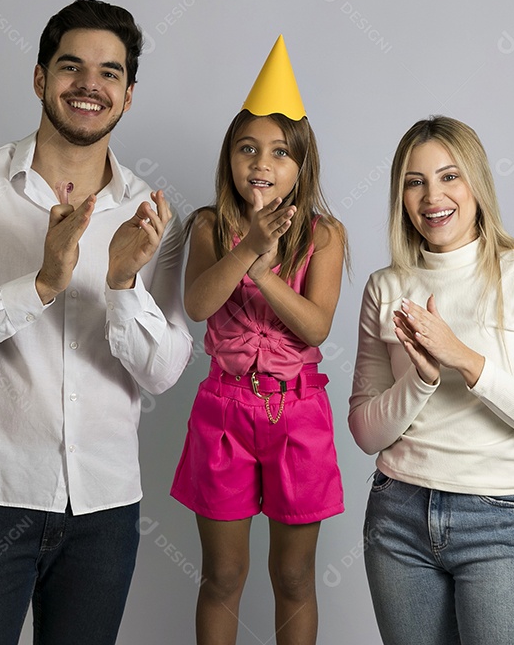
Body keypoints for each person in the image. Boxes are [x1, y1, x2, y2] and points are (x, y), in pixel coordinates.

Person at [0, 0, 192, 645]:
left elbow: (165, 370)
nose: (91, 84)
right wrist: (40, 284)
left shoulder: (151, 217)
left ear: (128, 95)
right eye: (72, 66)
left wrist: (119, 284)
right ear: (39, 78)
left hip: (105, 512)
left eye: (110, 73)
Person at [348, 116, 514, 645]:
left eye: (450, 177)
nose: (434, 196)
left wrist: (464, 359)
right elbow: (365, 433)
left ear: (477, 185)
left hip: (500, 524)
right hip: (399, 516)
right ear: (401, 197)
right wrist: (423, 380)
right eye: (415, 181)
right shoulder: (386, 287)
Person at [170, 35, 347, 645]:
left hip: (298, 414)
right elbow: (196, 306)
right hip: (223, 413)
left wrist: (266, 272)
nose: (261, 164)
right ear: (230, 160)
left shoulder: (325, 237)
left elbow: (316, 326)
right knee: (223, 574)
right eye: (248, 149)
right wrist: (247, 247)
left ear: (302, 166)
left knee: (293, 574)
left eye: (278, 152)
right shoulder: (208, 227)